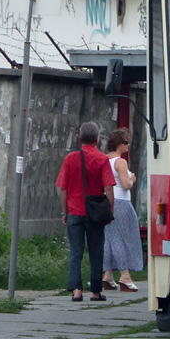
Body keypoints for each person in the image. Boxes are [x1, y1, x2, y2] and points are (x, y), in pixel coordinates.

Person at [56, 121, 115, 303]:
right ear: (97, 139)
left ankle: (76, 291)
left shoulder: (70, 159)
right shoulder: (102, 159)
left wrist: (65, 212)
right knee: (96, 251)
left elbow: (63, 189)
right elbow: (109, 188)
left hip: (75, 211)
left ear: (79, 138)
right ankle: (96, 292)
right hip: (95, 213)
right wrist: (109, 211)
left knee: (76, 252)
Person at [101, 128, 143, 293]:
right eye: (125, 142)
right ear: (118, 144)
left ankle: (107, 275)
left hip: (106, 201)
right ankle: (125, 276)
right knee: (123, 238)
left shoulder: (104, 160)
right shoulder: (121, 162)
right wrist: (132, 178)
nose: (128, 145)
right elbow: (126, 185)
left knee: (108, 239)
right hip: (121, 202)